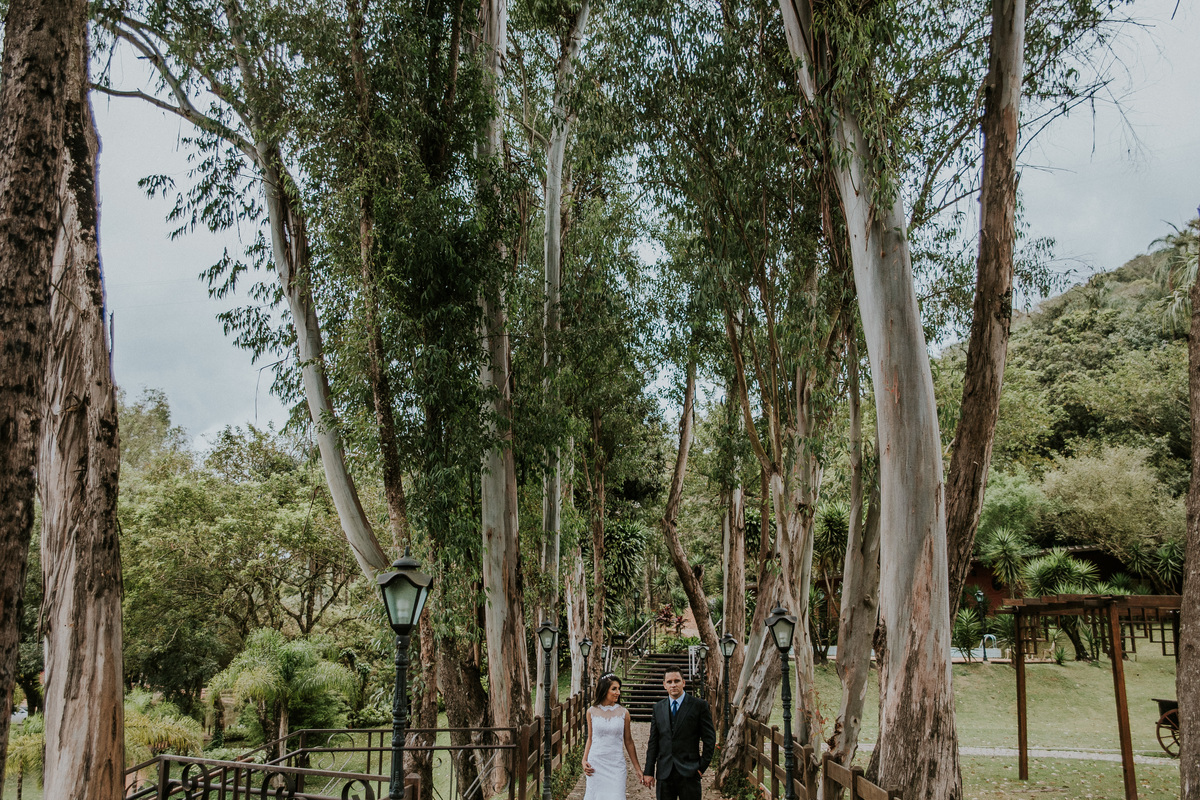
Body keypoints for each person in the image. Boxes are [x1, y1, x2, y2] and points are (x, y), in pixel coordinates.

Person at [642, 669, 715, 800]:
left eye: (677, 681)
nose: (673, 685)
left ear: (683, 683)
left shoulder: (699, 706)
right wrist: (648, 771)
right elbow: (653, 741)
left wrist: (701, 767)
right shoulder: (658, 708)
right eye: (669, 682)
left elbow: (709, 739)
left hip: (690, 771)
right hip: (664, 772)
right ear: (664, 685)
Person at [582, 673, 644, 800]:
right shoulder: (591, 712)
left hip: (616, 765)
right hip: (596, 764)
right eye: (614, 689)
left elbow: (629, 742)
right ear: (605, 690)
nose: (618, 692)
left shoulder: (624, 713)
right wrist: (584, 760)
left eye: (619, 689)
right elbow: (590, 738)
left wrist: (637, 768)